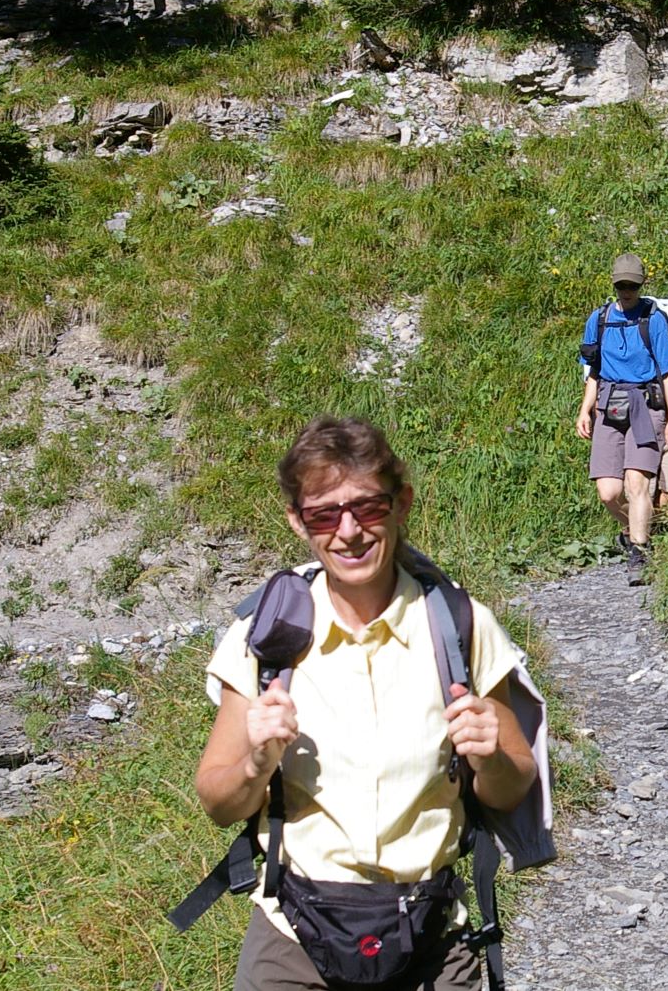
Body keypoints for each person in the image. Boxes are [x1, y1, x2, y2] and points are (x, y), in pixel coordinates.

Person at [195, 417, 539, 991]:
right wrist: (256, 764)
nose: (348, 531)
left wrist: (491, 758)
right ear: (297, 522)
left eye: (368, 507)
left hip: (431, 936)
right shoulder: (266, 636)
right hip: (293, 940)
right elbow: (217, 800)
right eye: (323, 513)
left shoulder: (459, 626)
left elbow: (512, 784)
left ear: (402, 503)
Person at [575, 252, 668, 582]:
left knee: (637, 483)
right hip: (609, 405)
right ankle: (634, 529)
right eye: (621, 285)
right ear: (613, 283)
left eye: (632, 286)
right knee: (608, 491)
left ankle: (639, 553)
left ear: (641, 284)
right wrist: (585, 410)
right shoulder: (600, 318)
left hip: (647, 406)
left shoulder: (654, 319)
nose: (626, 291)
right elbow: (593, 370)